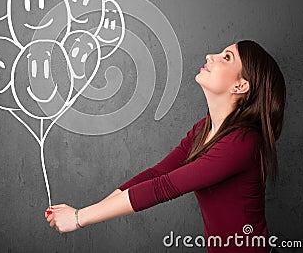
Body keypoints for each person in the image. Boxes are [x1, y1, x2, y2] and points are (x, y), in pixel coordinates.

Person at [44, 40, 286, 253]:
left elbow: (164, 187)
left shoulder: (243, 142)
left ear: (241, 86)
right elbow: (158, 173)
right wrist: (86, 211)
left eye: (226, 57)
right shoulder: (204, 129)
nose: (210, 56)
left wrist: (78, 219)